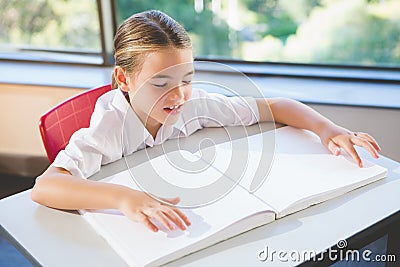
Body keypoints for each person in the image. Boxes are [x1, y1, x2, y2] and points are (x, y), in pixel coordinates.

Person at [31, 10, 381, 233]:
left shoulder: (193, 104)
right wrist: (125, 198)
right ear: (124, 80)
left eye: (187, 78)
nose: (179, 96)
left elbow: (276, 106)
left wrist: (328, 130)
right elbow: (45, 187)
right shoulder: (110, 125)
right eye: (161, 84)